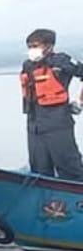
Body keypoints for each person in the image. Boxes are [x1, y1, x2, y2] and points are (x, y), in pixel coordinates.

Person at [20, 28, 83, 180]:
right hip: (34, 127)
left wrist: (80, 102)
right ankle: (45, 203)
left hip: (58, 125)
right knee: (39, 171)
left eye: (36, 46)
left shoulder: (61, 61)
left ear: (49, 46)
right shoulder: (28, 66)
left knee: (69, 168)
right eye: (29, 47)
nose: (32, 50)